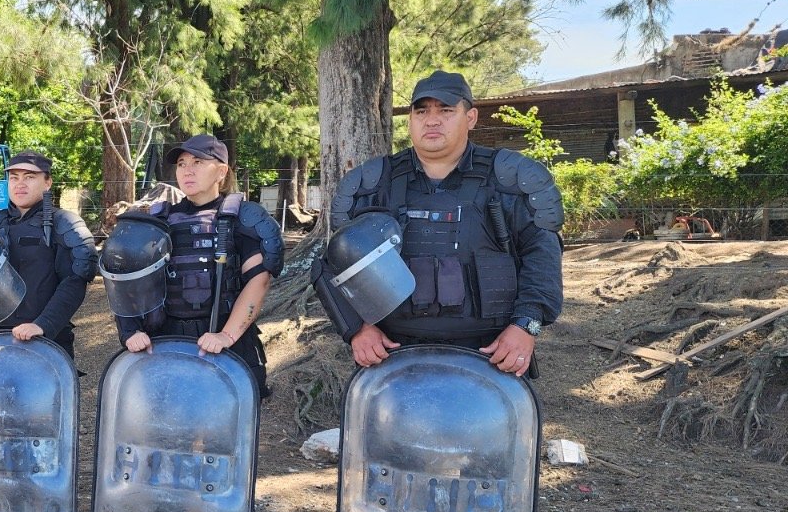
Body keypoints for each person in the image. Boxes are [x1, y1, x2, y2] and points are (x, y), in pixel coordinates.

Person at [317, 70, 564, 374]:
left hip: (492, 352)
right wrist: (357, 328)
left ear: (470, 117)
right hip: (392, 352)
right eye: (421, 111)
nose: (432, 120)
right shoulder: (371, 185)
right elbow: (332, 264)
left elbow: (542, 254)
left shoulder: (509, 181)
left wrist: (526, 326)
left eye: (446, 110)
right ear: (410, 119)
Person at [113, 135, 285, 397]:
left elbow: (258, 281)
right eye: (181, 164)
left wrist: (226, 337)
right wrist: (129, 331)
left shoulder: (243, 218)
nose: (187, 170)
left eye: (198, 162)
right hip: (166, 341)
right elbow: (125, 279)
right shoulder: (158, 220)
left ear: (222, 171)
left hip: (226, 344)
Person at [0, 150, 97, 356]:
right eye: (14, 177)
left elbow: (75, 281)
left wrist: (43, 325)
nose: (20, 184)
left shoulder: (64, 224)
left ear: (48, 182)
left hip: (43, 342)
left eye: (29, 177)